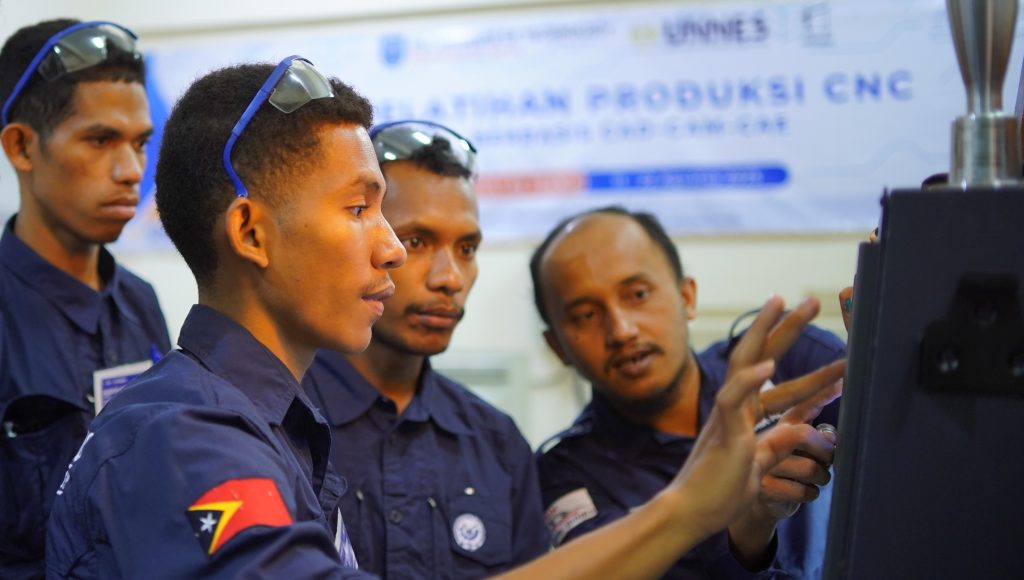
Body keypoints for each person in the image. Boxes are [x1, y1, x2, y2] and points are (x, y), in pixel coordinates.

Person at [46, 57, 844, 579]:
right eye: (359, 209)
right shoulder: (186, 439)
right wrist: (686, 507)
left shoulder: (275, 429)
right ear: (252, 233)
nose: (394, 250)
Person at [530, 206, 846, 579]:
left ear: (687, 297)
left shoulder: (781, 357)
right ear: (557, 347)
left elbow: (893, 442)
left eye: (638, 293)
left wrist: (888, 343)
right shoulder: (564, 475)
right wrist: (749, 519)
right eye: (586, 314)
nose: (622, 330)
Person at [302, 120, 548, 578]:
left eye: (467, 248)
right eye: (415, 242)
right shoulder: (280, 419)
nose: (449, 278)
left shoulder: (497, 444)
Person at [0, 19, 170, 578]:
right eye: (101, 141)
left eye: (140, 143)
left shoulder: (142, 305)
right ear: (22, 146)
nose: (132, 172)